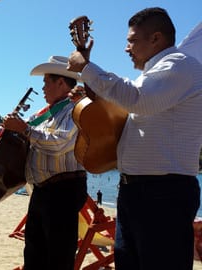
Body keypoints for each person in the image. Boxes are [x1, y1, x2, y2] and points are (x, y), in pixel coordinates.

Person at [67, 7, 202, 269]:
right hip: (143, 193)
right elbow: (131, 108)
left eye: (132, 40)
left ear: (156, 38)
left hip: (162, 194)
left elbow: (138, 100)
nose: (127, 48)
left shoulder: (180, 65)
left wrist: (87, 68)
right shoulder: (157, 75)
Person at [0, 56, 87, 270]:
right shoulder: (47, 112)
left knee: (57, 256)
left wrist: (23, 129)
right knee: (35, 252)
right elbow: (25, 128)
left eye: (47, 81)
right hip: (44, 190)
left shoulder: (77, 109)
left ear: (61, 83)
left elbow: (58, 144)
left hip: (63, 190)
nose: (43, 87)